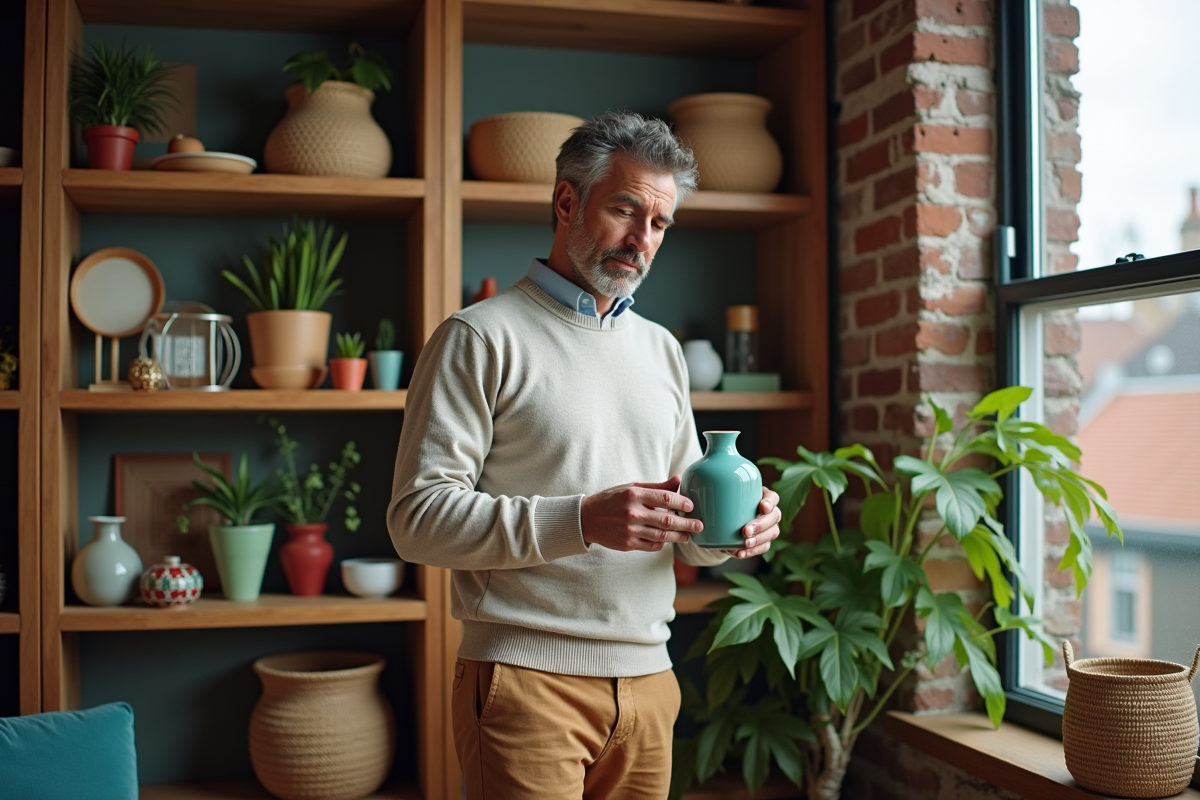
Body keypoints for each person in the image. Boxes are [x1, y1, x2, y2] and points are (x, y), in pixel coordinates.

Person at [387, 111, 782, 800]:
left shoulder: (661, 349)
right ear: (567, 202)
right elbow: (416, 520)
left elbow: (684, 539)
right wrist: (581, 520)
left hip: (652, 688)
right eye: (626, 210)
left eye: (659, 224)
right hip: (524, 687)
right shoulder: (478, 338)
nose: (642, 240)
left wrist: (731, 532)